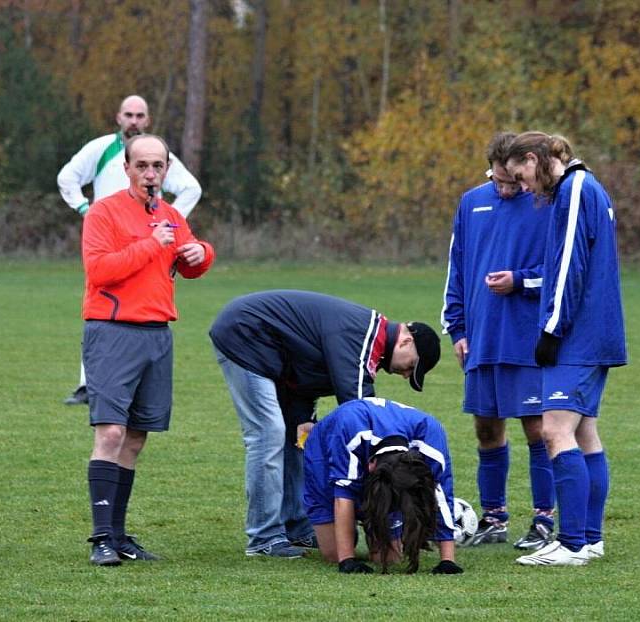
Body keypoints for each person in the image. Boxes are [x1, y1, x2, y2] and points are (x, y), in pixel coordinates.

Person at [209, 290, 441, 558]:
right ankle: (264, 538)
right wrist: (378, 482)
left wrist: (304, 419)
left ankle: (298, 526)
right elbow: (359, 412)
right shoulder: (363, 335)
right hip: (246, 334)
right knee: (267, 434)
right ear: (405, 341)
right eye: (411, 367)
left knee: (297, 440)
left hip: (274, 354)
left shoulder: (367, 338)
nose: (405, 375)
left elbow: (307, 370)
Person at [81, 133, 215, 566]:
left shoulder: (172, 216)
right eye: (142, 165)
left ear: (167, 169)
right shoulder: (104, 213)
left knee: (136, 438)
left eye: (158, 166)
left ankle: (119, 536)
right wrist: (148, 245)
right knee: (112, 433)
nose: (150, 174)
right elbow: (99, 270)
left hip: (158, 334)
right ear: (127, 169)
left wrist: (201, 253)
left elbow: (188, 265)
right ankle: (101, 538)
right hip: (113, 330)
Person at [503, 131, 627, 566]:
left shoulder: (575, 189)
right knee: (583, 432)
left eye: (522, 176)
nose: (523, 186)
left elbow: (571, 263)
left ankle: (572, 543)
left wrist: (552, 331)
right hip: (596, 335)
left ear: (536, 160)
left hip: (579, 336)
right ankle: (590, 538)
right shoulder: (587, 187)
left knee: (555, 432)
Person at [441, 132, 556, 551]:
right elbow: (457, 267)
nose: (508, 189)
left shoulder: (547, 202)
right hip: (481, 338)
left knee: (538, 429)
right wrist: (457, 329)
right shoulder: (471, 202)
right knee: (486, 428)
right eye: (499, 181)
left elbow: (562, 272)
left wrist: (520, 281)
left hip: (527, 337)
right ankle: (494, 518)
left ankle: (544, 519)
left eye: (514, 182)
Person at [58, 94, 202, 406]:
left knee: (141, 307)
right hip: (108, 236)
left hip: (151, 242)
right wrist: (85, 208)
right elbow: (66, 177)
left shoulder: (156, 154)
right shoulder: (100, 148)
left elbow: (192, 188)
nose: (134, 120)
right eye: (128, 114)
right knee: (102, 305)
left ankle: (128, 390)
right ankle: (88, 384)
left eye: (140, 115)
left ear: (147, 120)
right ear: (118, 117)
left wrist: (171, 225)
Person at [302, 397, 463, 574]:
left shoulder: (431, 438)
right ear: (370, 465)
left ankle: (370, 525)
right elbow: (343, 493)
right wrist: (347, 560)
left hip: (379, 457)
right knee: (333, 554)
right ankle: (353, 526)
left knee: (389, 559)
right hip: (325, 456)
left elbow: (441, 493)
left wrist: (447, 561)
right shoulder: (350, 429)